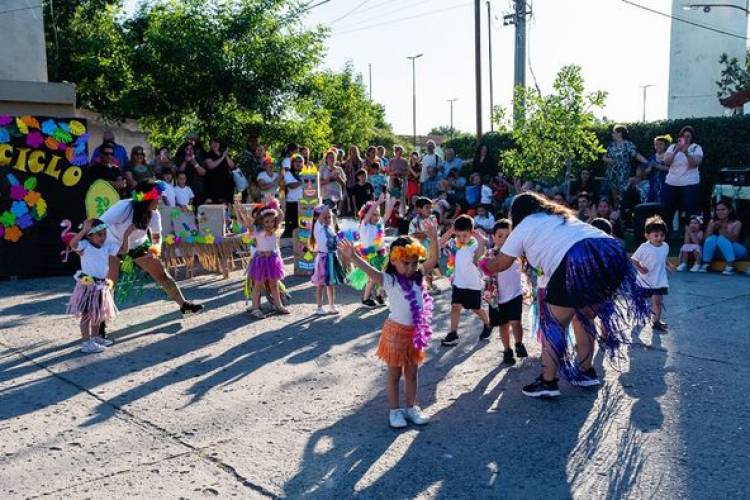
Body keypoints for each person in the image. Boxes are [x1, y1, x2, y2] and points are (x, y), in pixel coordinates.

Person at [484, 192, 650, 397]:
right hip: (610, 253)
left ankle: (548, 382)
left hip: (576, 258)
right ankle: (586, 372)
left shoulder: (525, 225)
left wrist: (483, 264)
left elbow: (501, 263)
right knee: (583, 315)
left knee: (554, 323)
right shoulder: (561, 218)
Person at [338, 222, 440, 428]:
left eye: (414, 263)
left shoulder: (418, 278)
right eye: (406, 263)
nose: (411, 267)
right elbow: (370, 271)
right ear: (394, 261)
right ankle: (395, 411)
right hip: (395, 333)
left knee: (412, 373)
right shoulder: (390, 280)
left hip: (415, 334)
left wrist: (434, 237)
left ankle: (411, 408)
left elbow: (434, 259)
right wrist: (353, 256)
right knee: (394, 374)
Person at [102, 180, 204, 319]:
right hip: (114, 244)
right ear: (147, 198)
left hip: (138, 244)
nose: (160, 200)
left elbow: (156, 236)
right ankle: (102, 321)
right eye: (158, 197)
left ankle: (184, 306)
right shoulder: (124, 206)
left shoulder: (154, 214)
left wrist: (155, 247)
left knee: (161, 274)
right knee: (110, 283)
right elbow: (100, 223)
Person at [67, 219, 123, 353]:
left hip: (101, 285)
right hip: (88, 286)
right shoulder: (85, 245)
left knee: (98, 314)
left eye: (104, 234)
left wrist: (126, 235)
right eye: (99, 235)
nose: (103, 237)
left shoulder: (106, 246)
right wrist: (84, 230)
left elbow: (124, 249)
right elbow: (72, 244)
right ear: (90, 235)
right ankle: (86, 343)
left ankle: (96, 338)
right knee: (86, 315)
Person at [439, 215, 492, 347]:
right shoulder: (455, 243)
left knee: (475, 308)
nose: (462, 239)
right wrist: (450, 231)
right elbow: (440, 243)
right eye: (459, 235)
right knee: (455, 307)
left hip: (473, 284)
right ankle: (453, 333)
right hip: (459, 283)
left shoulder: (474, 245)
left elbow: (478, 258)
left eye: (465, 236)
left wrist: (481, 241)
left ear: (471, 232)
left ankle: (488, 323)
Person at [483, 220, 528, 365]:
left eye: (508, 236)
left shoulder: (518, 254)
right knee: (503, 325)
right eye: (500, 236)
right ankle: (507, 350)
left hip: (515, 294)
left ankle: (519, 344)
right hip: (497, 297)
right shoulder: (490, 254)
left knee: (516, 322)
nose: (504, 240)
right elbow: (484, 270)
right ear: (494, 237)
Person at [234, 199, 289, 318]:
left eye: (272, 221)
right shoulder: (258, 232)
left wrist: (276, 206)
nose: (270, 224)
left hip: (273, 260)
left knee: (274, 284)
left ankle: (278, 305)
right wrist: (242, 213)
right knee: (258, 285)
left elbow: (281, 216)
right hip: (261, 261)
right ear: (262, 222)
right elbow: (248, 224)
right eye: (267, 222)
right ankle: (255, 308)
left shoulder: (274, 230)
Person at [349, 196, 396, 307]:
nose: (376, 217)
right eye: (373, 214)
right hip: (371, 257)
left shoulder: (379, 225)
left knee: (383, 276)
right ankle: (365, 299)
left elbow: (387, 216)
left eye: (377, 214)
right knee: (372, 278)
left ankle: (379, 296)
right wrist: (378, 202)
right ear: (367, 215)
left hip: (381, 255)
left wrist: (391, 205)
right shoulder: (364, 225)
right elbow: (368, 214)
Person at [631, 216, 674, 332]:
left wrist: (669, 266)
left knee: (657, 301)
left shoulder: (665, 246)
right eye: (656, 235)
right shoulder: (644, 247)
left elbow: (664, 259)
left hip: (659, 280)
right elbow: (633, 260)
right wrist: (640, 268)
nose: (659, 238)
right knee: (640, 301)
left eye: (662, 235)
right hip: (644, 281)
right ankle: (639, 316)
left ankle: (656, 321)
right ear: (647, 235)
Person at [663, 126, 704, 229]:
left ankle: (688, 236)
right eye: (683, 136)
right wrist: (676, 150)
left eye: (688, 136)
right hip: (671, 184)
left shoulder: (696, 147)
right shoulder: (672, 147)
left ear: (692, 137)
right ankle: (666, 235)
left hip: (689, 185)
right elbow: (667, 162)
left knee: (690, 211)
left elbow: (694, 164)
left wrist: (686, 152)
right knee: (667, 211)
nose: (686, 138)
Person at [310, 204, 345, 315]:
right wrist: (326, 205)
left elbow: (337, 243)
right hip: (323, 259)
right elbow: (322, 216)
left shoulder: (331, 228)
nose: (328, 219)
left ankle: (331, 305)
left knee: (331, 284)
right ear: (317, 218)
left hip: (332, 257)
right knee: (320, 284)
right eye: (325, 217)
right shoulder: (318, 227)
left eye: (329, 217)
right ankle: (319, 307)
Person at [698, 200, 747, 275]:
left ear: (729, 210)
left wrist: (722, 229)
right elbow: (705, 240)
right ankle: (706, 264)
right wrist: (712, 229)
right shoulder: (712, 222)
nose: (720, 212)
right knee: (712, 238)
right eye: (718, 210)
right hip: (717, 252)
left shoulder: (737, 223)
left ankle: (730, 266)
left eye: (723, 209)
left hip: (736, 251)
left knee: (721, 238)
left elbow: (733, 239)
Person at [603, 124, 647, 204]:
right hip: (612, 174)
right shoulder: (611, 145)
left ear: (620, 133)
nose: (612, 134)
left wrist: (647, 162)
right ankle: (616, 210)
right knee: (614, 196)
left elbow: (636, 155)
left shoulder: (628, 144)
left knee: (623, 195)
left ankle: (622, 211)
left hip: (623, 174)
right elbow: (604, 157)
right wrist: (608, 160)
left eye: (614, 132)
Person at [408, 197, 439, 294]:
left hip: (431, 247)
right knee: (419, 268)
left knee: (430, 267)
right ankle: (420, 287)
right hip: (419, 249)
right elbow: (412, 235)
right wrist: (426, 234)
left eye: (431, 208)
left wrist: (424, 234)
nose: (430, 210)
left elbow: (435, 233)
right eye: (427, 208)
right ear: (419, 209)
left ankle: (429, 286)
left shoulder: (433, 219)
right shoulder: (414, 221)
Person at [203, 139, 235, 204]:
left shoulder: (223, 154)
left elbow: (232, 165)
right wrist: (222, 157)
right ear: (210, 145)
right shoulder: (208, 154)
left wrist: (225, 155)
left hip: (226, 185)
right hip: (213, 186)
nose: (215, 144)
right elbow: (210, 165)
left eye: (217, 143)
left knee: (227, 204)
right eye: (213, 143)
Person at [175, 142, 206, 206]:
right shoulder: (180, 159)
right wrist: (185, 161)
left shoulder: (198, 158)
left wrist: (194, 162)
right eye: (187, 149)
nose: (190, 151)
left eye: (191, 149)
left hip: (198, 190)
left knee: (199, 213)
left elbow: (203, 173)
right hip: (184, 191)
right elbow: (179, 172)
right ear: (184, 150)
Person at [281, 154, 304, 238]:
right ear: (292, 163)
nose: (298, 163)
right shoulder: (288, 173)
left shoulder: (305, 173)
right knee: (291, 228)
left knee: (302, 226)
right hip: (292, 203)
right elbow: (290, 185)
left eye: (300, 161)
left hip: (304, 203)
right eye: (296, 161)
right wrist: (302, 181)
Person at [645, 135, 671, 204]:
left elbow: (671, 169)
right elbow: (646, 172)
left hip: (665, 186)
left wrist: (657, 165)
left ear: (665, 146)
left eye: (661, 144)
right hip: (653, 186)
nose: (658, 146)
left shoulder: (668, 157)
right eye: (656, 144)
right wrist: (650, 168)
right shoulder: (652, 157)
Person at [342, 146, 363, 214]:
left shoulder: (360, 161)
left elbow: (362, 170)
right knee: (351, 195)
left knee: (359, 195)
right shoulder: (347, 162)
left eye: (355, 151)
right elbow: (345, 172)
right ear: (350, 152)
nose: (354, 152)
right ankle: (351, 210)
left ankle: (359, 210)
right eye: (352, 151)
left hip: (359, 180)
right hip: (350, 180)